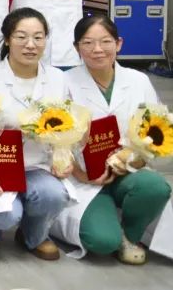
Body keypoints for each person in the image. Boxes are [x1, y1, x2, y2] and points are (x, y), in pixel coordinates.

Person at [51, 16, 173, 263]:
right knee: (103, 242)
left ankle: (130, 235)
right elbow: (52, 139)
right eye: (88, 43)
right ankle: (107, 225)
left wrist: (133, 161)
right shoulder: (63, 82)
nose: (97, 49)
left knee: (154, 186)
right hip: (82, 178)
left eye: (105, 41)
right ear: (76, 48)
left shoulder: (138, 80)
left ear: (118, 44)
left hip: (128, 172)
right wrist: (80, 174)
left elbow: (155, 130)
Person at [0, 8, 71, 260]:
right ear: (7, 39)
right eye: (21, 37)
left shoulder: (58, 79)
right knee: (3, 216)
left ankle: (34, 234)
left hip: (37, 165)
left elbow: (67, 127)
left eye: (38, 37)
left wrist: (62, 158)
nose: (30, 45)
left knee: (53, 194)